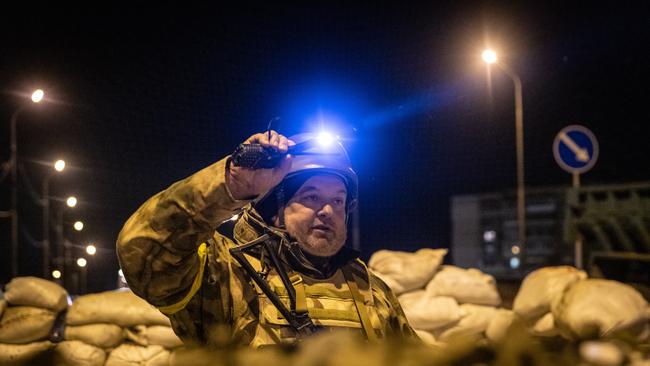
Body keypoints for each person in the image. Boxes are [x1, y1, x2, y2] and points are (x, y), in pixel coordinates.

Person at [116, 130, 415, 348]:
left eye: (337, 201)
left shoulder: (370, 290)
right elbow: (142, 251)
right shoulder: (227, 275)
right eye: (311, 197)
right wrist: (231, 184)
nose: (327, 211)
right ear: (274, 209)